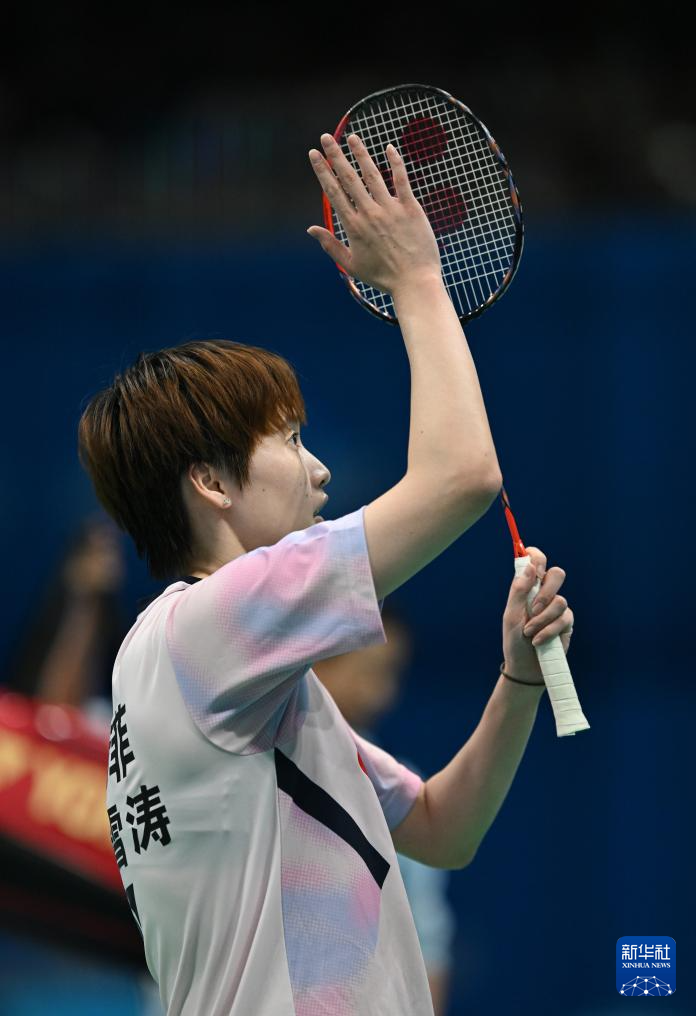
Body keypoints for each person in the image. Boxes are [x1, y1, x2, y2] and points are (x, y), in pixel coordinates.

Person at [77, 132, 575, 1016]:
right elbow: (462, 477)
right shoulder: (207, 629)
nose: (319, 471)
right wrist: (417, 279)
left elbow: (441, 829)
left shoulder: (229, 677)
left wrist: (519, 679)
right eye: (290, 440)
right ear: (211, 482)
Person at [313, 602, 455, 1015]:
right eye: (370, 670)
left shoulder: (396, 785)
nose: (381, 691)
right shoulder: (250, 766)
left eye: (391, 673)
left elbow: (426, 933)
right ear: (314, 659)